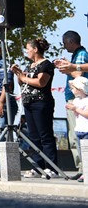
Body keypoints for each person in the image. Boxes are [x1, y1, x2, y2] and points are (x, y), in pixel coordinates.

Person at [11, 37, 57, 177]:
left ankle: (52, 167)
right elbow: (23, 83)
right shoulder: (29, 66)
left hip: (41, 102)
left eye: (28, 49)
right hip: (28, 103)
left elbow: (41, 82)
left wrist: (25, 78)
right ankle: (38, 166)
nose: (27, 52)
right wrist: (19, 74)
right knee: (33, 136)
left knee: (45, 134)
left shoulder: (46, 64)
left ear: (35, 49)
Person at [55, 30, 87, 175]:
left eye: (64, 43)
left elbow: (78, 76)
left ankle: (82, 167)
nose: (64, 46)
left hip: (76, 99)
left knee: (76, 134)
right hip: (74, 98)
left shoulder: (80, 54)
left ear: (70, 41)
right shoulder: (77, 55)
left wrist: (67, 68)